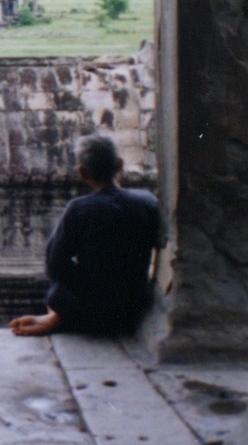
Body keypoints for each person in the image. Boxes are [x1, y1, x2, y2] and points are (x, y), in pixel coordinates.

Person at [10, 131, 165, 338]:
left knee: (58, 290)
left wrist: (91, 280)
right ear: (120, 165)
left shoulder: (79, 208)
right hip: (133, 305)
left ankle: (58, 317)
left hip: (90, 308)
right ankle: (60, 317)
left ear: (82, 173)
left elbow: (55, 264)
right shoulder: (147, 201)